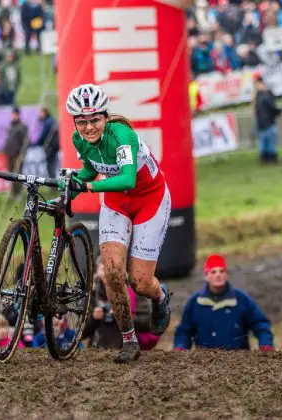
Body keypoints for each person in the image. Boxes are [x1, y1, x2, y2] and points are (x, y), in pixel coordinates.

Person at [60, 84, 172, 363]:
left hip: (150, 199)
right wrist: (74, 182)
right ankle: (128, 339)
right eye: (82, 121)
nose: (88, 128)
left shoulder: (122, 134)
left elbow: (127, 179)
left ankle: (160, 298)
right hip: (116, 202)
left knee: (141, 282)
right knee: (111, 272)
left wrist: (87, 187)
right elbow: (91, 169)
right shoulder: (79, 139)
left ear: (106, 117)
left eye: (95, 119)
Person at [173, 254, 274, 352]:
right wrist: (180, 347)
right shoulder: (195, 302)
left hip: (239, 362)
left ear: (227, 275)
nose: (218, 275)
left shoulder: (241, 300)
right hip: (204, 363)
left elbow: (260, 324)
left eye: (222, 271)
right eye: (213, 272)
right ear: (206, 276)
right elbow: (184, 331)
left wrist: (265, 344)